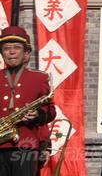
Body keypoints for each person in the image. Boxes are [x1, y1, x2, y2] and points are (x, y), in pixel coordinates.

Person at [0, 26, 56, 176]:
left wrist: (37, 115)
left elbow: (50, 112)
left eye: (17, 48)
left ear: (25, 53)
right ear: (1, 53)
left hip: (27, 147)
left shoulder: (40, 78)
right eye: (6, 48)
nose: (11, 52)